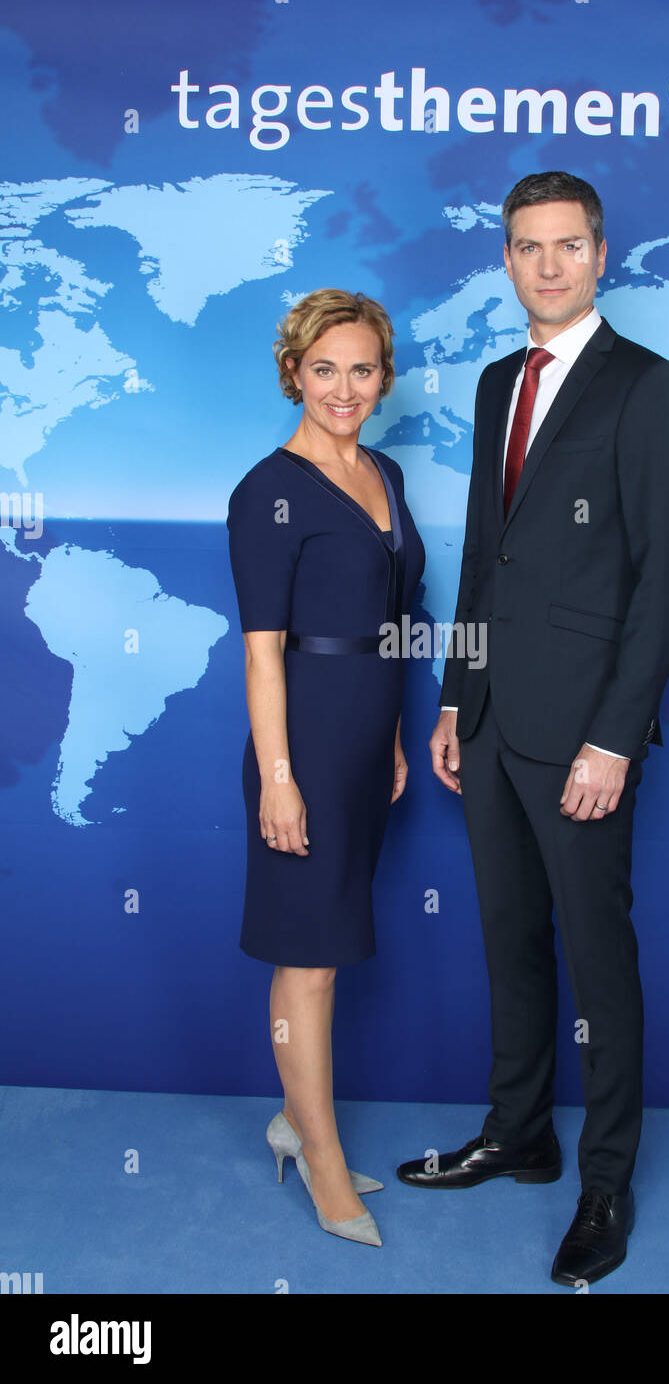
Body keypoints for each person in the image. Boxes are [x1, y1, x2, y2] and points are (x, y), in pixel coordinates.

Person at [397, 172, 669, 1286]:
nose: (548, 264)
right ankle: (516, 1131)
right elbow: (484, 552)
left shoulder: (648, 388)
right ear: (507, 260)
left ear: (601, 252)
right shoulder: (492, 385)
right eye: (527, 247)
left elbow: (661, 579)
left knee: (597, 960)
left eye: (567, 245)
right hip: (487, 725)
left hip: (583, 738)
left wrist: (613, 739)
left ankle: (604, 1181)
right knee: (507, 942)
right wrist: (448, 693)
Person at [227, 288, 425, 1248]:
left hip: (364, 742)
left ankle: (293, 1123)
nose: (344, 388)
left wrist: (389, 735)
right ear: (292, 374)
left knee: (332, 942)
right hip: (300, 750)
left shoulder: (383, 469)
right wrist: (278, 776)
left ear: (383, 377)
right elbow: (265, 651)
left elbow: (386, 622)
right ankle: (322, 1157)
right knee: (306, 959)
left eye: (362, 369)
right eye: (324, 370)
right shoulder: (269, 488)